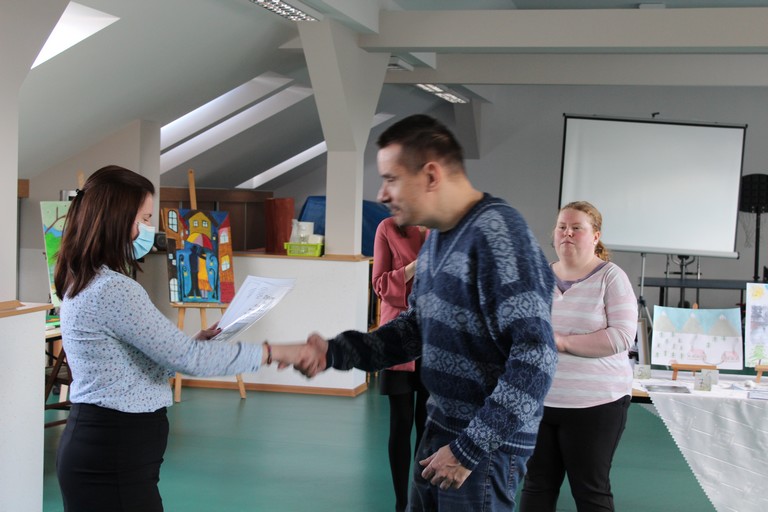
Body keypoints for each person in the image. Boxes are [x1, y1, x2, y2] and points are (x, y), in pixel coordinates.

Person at [296, 114, 558, 511]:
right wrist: (335, 352)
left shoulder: (500, 234)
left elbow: (536, 357)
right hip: (442, 430)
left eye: (391, 179)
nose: (382, 193)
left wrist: (469, 449)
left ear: (431, 175)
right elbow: (414, 329)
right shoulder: (439, 238)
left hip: (481, 450)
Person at [53, 165, 310, 512]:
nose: (150, 229)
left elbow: (130, 367)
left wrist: (192, 344)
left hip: (107, 447)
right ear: (117, 218)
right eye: (144, 219)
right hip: (112, 452)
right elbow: (188, 359)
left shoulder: (87, 278)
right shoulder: (114, 289)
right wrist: (274, 352)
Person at [519, 201, 637, 512]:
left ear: (595, 236)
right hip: (540, 401)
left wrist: (561, 342)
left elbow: (622, 337)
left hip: (596, 404)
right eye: (562, 227)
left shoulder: (611, 277)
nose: (567, 233)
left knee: (590, 491)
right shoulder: (538, 277)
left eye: (576, 228)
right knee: (536, 486)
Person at [372, 216, 430, 512]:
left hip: (436, 337)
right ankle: (400, 503)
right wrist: (415, 267)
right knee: (401, 423)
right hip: (398, 337)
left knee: (429, 425)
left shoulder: (445, 225)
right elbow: (380, 285)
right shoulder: (387, 227)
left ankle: (422, 500)